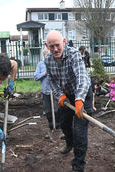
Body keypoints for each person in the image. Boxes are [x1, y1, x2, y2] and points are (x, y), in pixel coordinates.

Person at [45, 30, 93, 172]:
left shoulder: (74, 55)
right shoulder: (47, 60)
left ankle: (78, 166)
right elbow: (52, 81)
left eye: (58, 45)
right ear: (47, 46)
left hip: (83, 93)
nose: (55, 49)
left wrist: (79, 100)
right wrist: (59, 95)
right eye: (51, 46)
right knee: (63, 123)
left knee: (80, 131)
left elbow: (82, 78)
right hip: (66, 95)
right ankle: (69, 142)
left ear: (64, 42)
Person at [34, 48, 60, 139]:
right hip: (45, 91)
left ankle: (58, 128)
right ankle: (51, 128)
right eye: (47, 54)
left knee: (57, 110)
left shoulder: (56, 62)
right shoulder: (40, 64)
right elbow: (36, 77)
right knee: (48, 111)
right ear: (44, 55)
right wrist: (44, 73)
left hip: (55, 91)